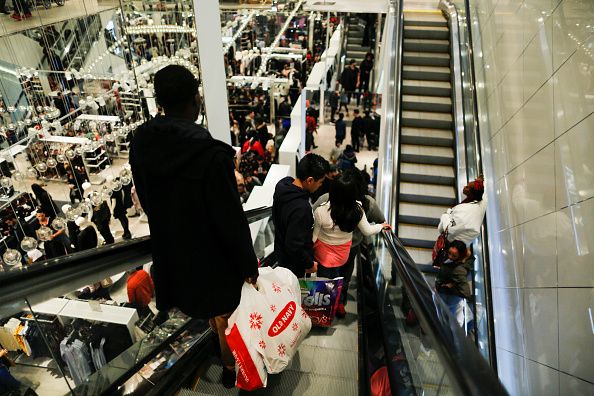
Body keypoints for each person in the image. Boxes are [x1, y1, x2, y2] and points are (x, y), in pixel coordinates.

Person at [130, 65, 258, 388]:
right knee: (228, 317)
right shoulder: (211, 156)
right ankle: (233, 372)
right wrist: (248, 265)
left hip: (173, 262)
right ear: (195, 100)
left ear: (159, 102)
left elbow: (145, 200)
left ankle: (217, 355)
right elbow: (231, 221)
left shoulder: (141, 145)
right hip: (214, 265)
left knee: (214, 317)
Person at [312, 170, 390, 316]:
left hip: (324, 249)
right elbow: (377, 223)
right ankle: (339, 301)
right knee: (344, 275)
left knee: (324, 275)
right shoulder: (364, 205)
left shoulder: (326, 200)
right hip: (349, 248)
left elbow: (312, 217)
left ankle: (322, 305)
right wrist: (382, 227)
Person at [272, 153, 329, 278]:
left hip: (281, 253)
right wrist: (309, 264)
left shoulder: (283, 185)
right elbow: (294, 246)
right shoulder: (302, 208)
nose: (320, 185)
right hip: (293, 266)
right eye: (320, 182)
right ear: (309, 180)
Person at [435, 240, 474, 328]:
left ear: (460, 256)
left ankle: (446, 332)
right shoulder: (463, 262)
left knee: (447, 314)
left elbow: (466, 293)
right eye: (449, 253)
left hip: (449, 295)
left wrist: (450, 287)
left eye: (454, 255)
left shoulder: (458, 270)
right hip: (445, 292)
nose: (450, 256)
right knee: (450, 313)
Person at [437, 175, 486, 244]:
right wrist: (479, 181)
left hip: (452, 243)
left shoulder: (464, 215)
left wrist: (445, 215)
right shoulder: (478, 200)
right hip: (462, 236)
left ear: (472, 193)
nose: (464, 187)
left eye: (467, 187)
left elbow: (449, 229)